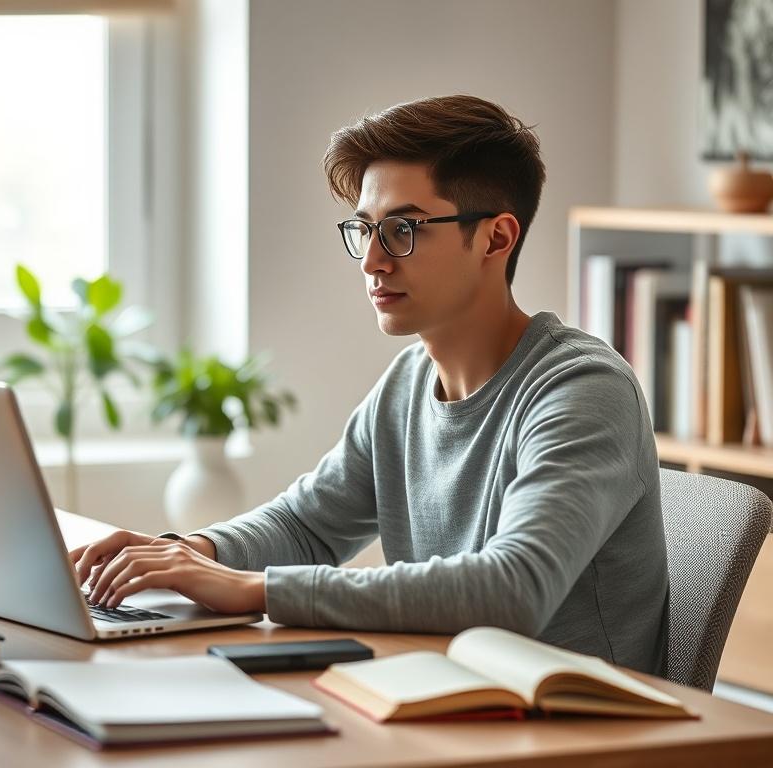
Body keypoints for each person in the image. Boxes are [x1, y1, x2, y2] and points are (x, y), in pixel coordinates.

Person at [69, 95, 669, 676]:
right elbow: (308, 526)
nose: (372, 262)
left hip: (569, 732)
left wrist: (251, 589)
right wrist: (194, 551)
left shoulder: (583, 389)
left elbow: (514, 588)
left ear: (495, 238)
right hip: (437, 696)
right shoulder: (409, 381)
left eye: (403, 230)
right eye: (364, 230)